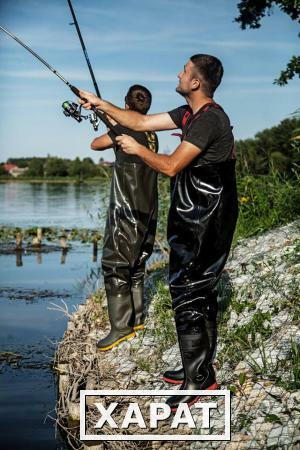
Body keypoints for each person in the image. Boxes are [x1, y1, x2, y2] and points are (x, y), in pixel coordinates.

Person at [78, 54, 238, 410]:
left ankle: (198, 381)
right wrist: (99, 103)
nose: (179, 74)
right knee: (191, 287)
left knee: (189, 288)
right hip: (193, 211)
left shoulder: (209, 120)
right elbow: (140, 119)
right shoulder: (188, 114)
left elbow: (170, 166)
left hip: (207, 215)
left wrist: (135, 148)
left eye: (184, 71)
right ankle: (196, 367)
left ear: (196, 83)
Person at [90, 85, 159, 351]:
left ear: (126, 105)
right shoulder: (151, 133)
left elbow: (95, 144)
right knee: (138, 261)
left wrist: (113, 124)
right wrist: (114, 121)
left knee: (115, 263)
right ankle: (137, 319)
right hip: (147, 207)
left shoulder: (124, 129)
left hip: (126, 207)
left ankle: (120, 328)